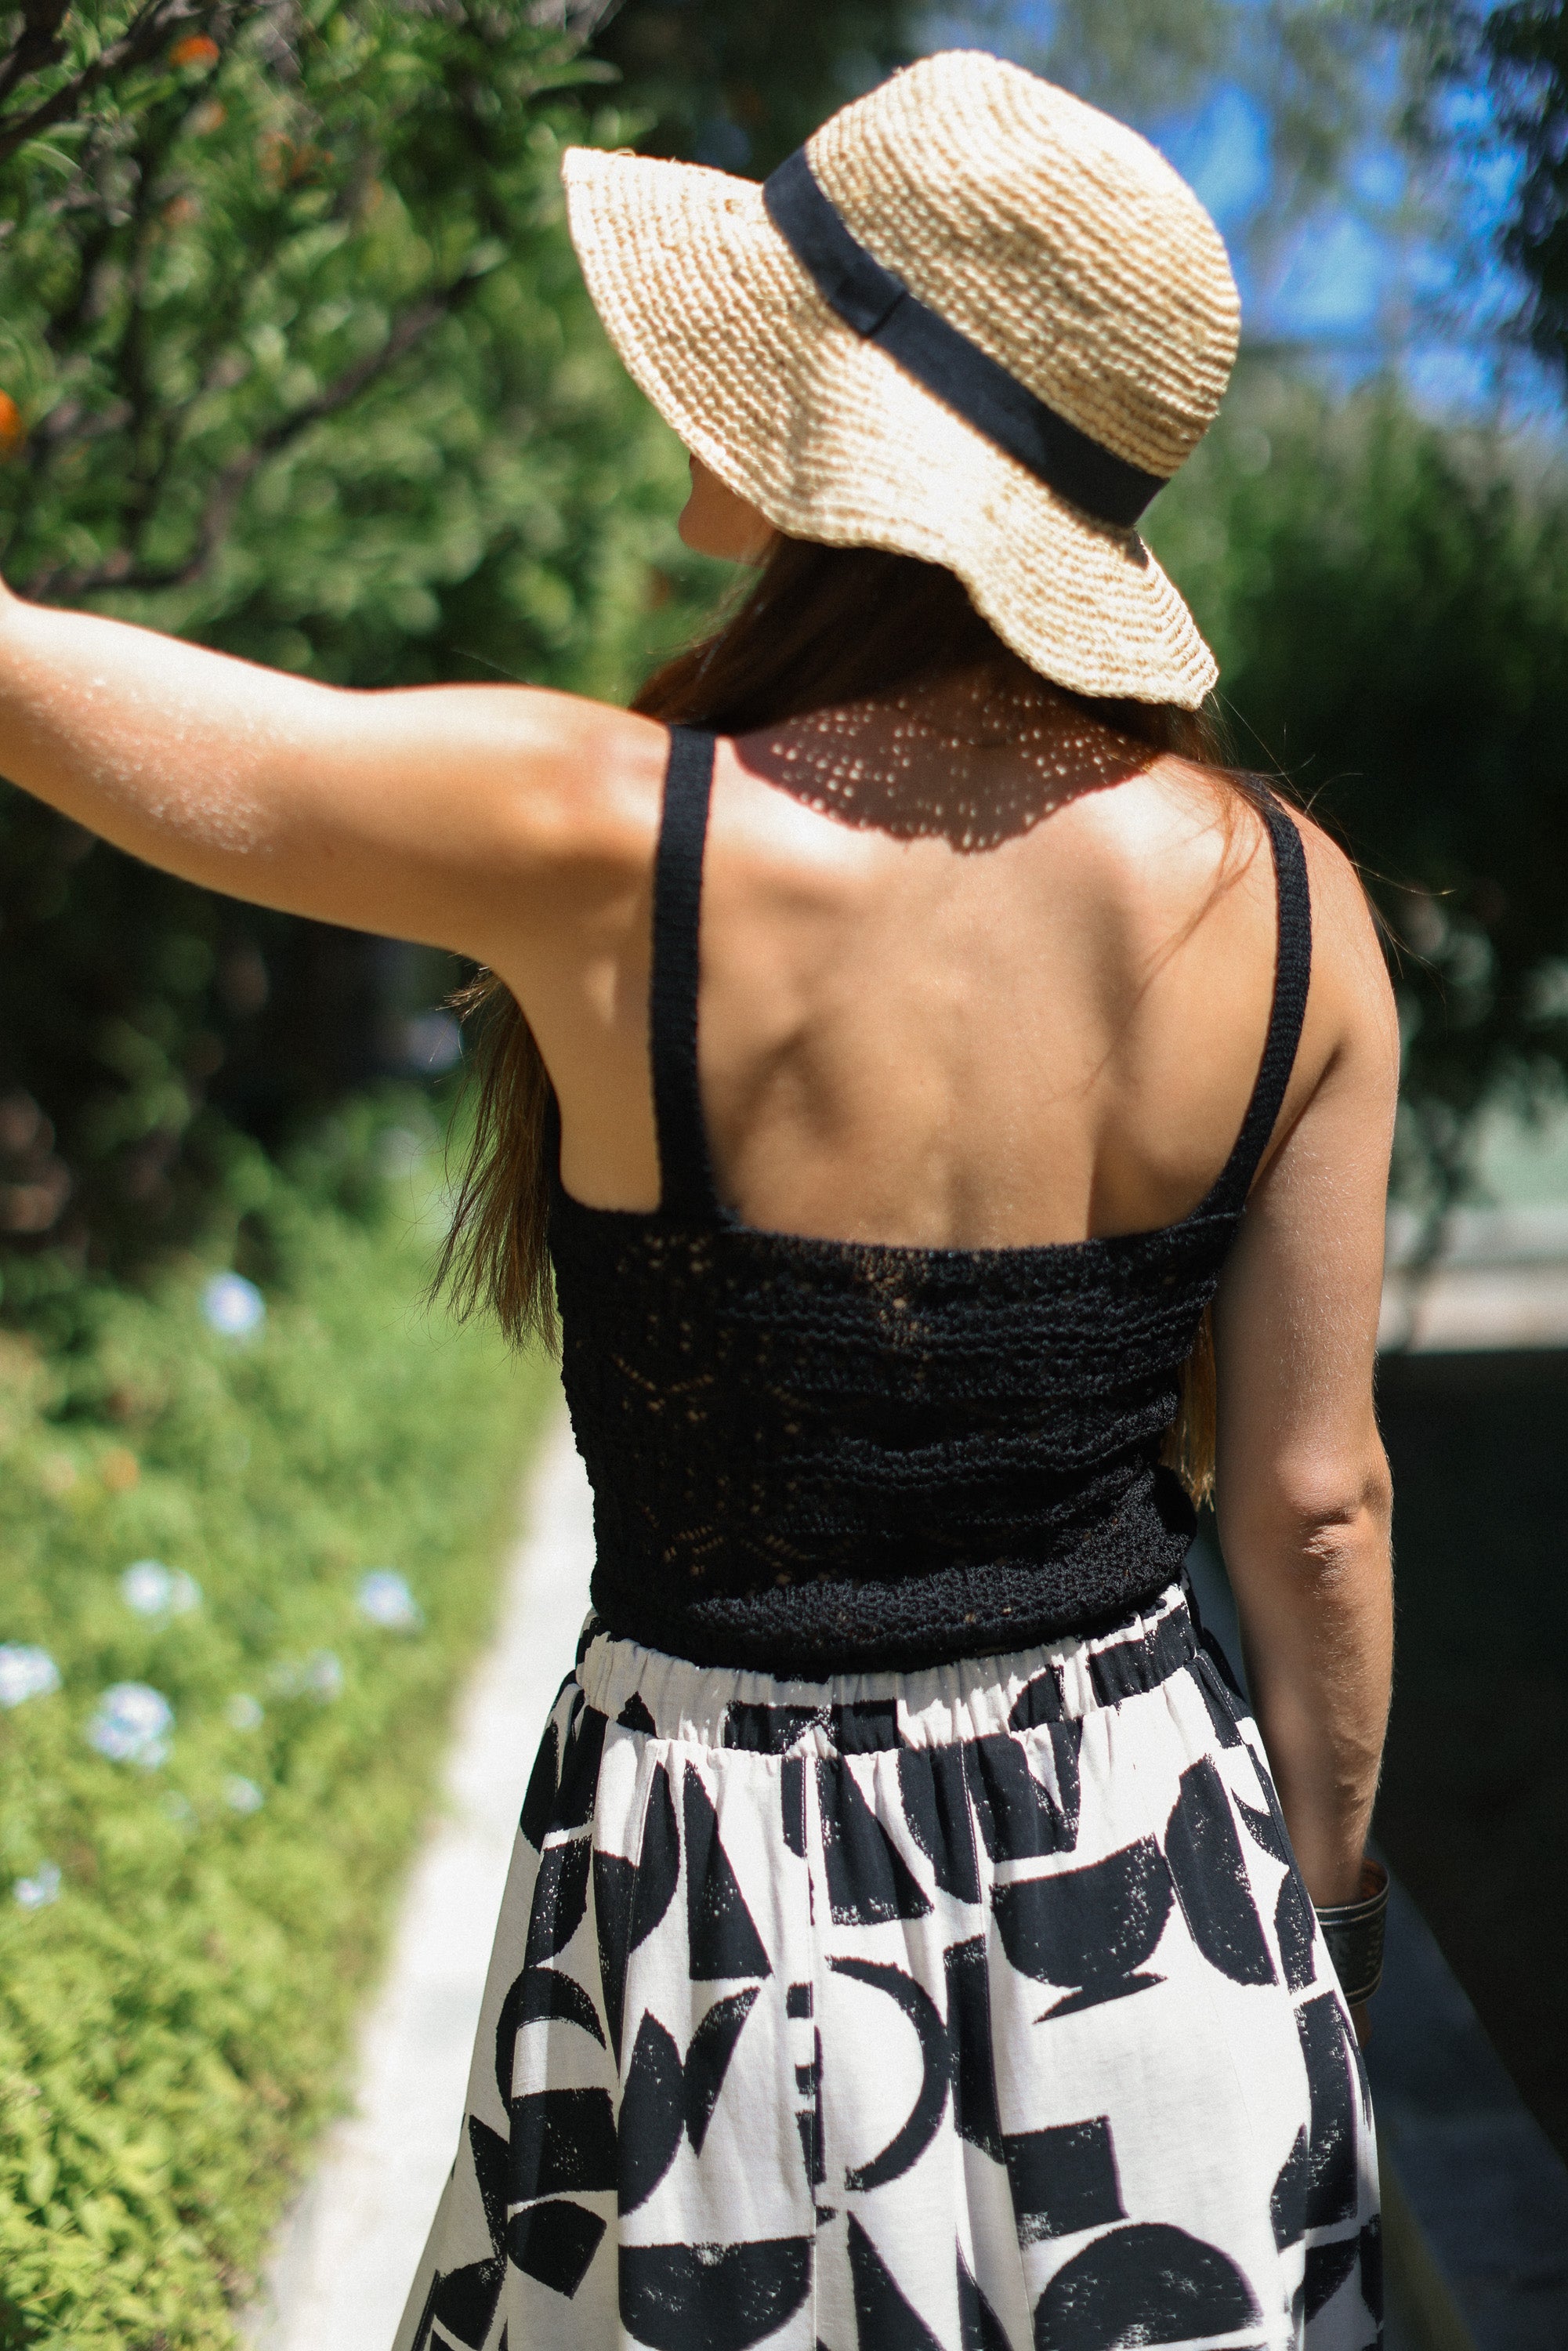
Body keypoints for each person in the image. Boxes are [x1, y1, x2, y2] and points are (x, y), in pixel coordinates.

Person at [0, 49, 1395, 2351]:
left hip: (712, 1894)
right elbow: (1315, 1505)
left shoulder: (610, 838)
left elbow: (99, 717)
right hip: (1148, 1871)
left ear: (848, 437)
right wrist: (1314, 1917)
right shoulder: (1295, 908)